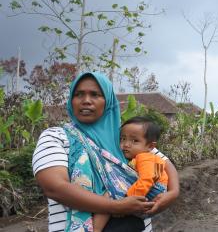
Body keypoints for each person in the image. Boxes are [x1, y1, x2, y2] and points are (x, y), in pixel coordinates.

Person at [32, 72, 179, 232]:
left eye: (95, 94)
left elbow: (164, 163)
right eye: (79, 94)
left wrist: (172, 194)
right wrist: (116, 206)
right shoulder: (56, 137)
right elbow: (55, 187)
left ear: (108, 101)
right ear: (71, 101)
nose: (86, 101)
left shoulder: (125, 138)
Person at [93, 116, 169, 232]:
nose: (126, 144)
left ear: (150, 146)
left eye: (135, 141)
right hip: (152, 195)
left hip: (149, 192)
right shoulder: (149, 157)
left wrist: (126, 202)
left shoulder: (144, 157)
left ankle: (94, 229)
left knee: (109, 194)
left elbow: (147, 180)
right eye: (123, 139)